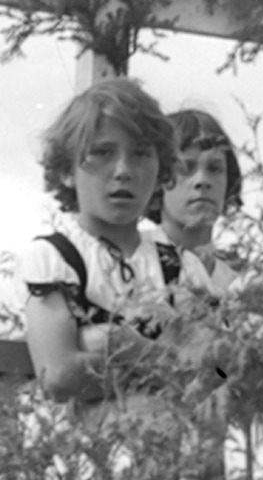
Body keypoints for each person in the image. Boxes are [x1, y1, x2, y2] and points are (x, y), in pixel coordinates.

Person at [21, 78, 200, 403]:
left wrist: (125, 345)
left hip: (169, 442)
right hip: (80, 446)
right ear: (66, 170)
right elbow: (59, 377)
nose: (123, 170)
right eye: (102, 152)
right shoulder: (56, 258)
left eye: (141, 154)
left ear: (161, 171)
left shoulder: (180, 267)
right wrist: (169, 365)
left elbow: (216, 373)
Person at [151, 108, 247, 292]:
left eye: (215, 168)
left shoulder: (242, 289)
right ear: (157, 180)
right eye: (186, 168)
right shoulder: (129, 266)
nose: (202, 180)